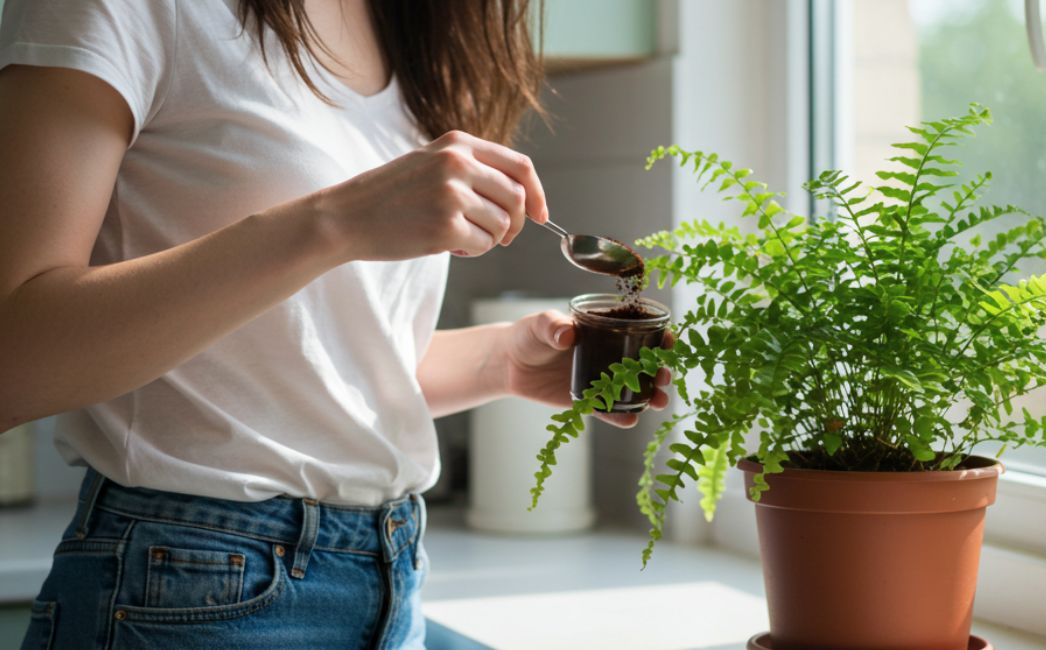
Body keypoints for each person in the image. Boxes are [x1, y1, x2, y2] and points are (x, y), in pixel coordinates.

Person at [0, 1, 670, 647]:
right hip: (189, 587)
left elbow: (298, 371)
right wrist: (337, 222)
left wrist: (502, 363)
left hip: (393, 574)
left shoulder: (416, 31)